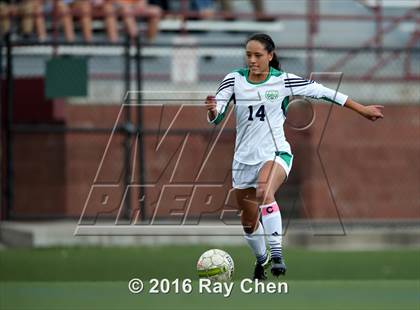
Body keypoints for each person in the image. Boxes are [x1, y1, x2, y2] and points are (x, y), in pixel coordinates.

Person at [205, 33, 384, 280]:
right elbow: (217, 116)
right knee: (248, 222)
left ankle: (277, 255)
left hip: (275, 152)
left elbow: (323, 91)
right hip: (243, 159)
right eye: (249, 55)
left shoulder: (284, 82)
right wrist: (213, 109)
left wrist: (362, 109)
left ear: (270, 55)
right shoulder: (233, 79)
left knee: (264, 191)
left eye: (258, 55)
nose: (253, 60)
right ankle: (262, 259)